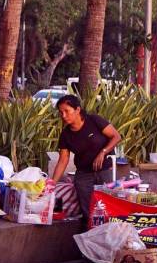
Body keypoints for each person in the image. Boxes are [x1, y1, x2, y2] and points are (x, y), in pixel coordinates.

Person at [48, 95, 123, 230]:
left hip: (105, 170)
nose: (63, 115)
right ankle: (91, 240)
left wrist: (103, 152)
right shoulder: (66, 135)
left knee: (108, 207)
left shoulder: (94, 121)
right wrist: (52, 183)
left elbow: (116, 136)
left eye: (67, 111)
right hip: (83, 175)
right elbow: (63, 159)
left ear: (77, 110)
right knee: (88, 211)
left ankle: (111, 237)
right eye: (61, 112)